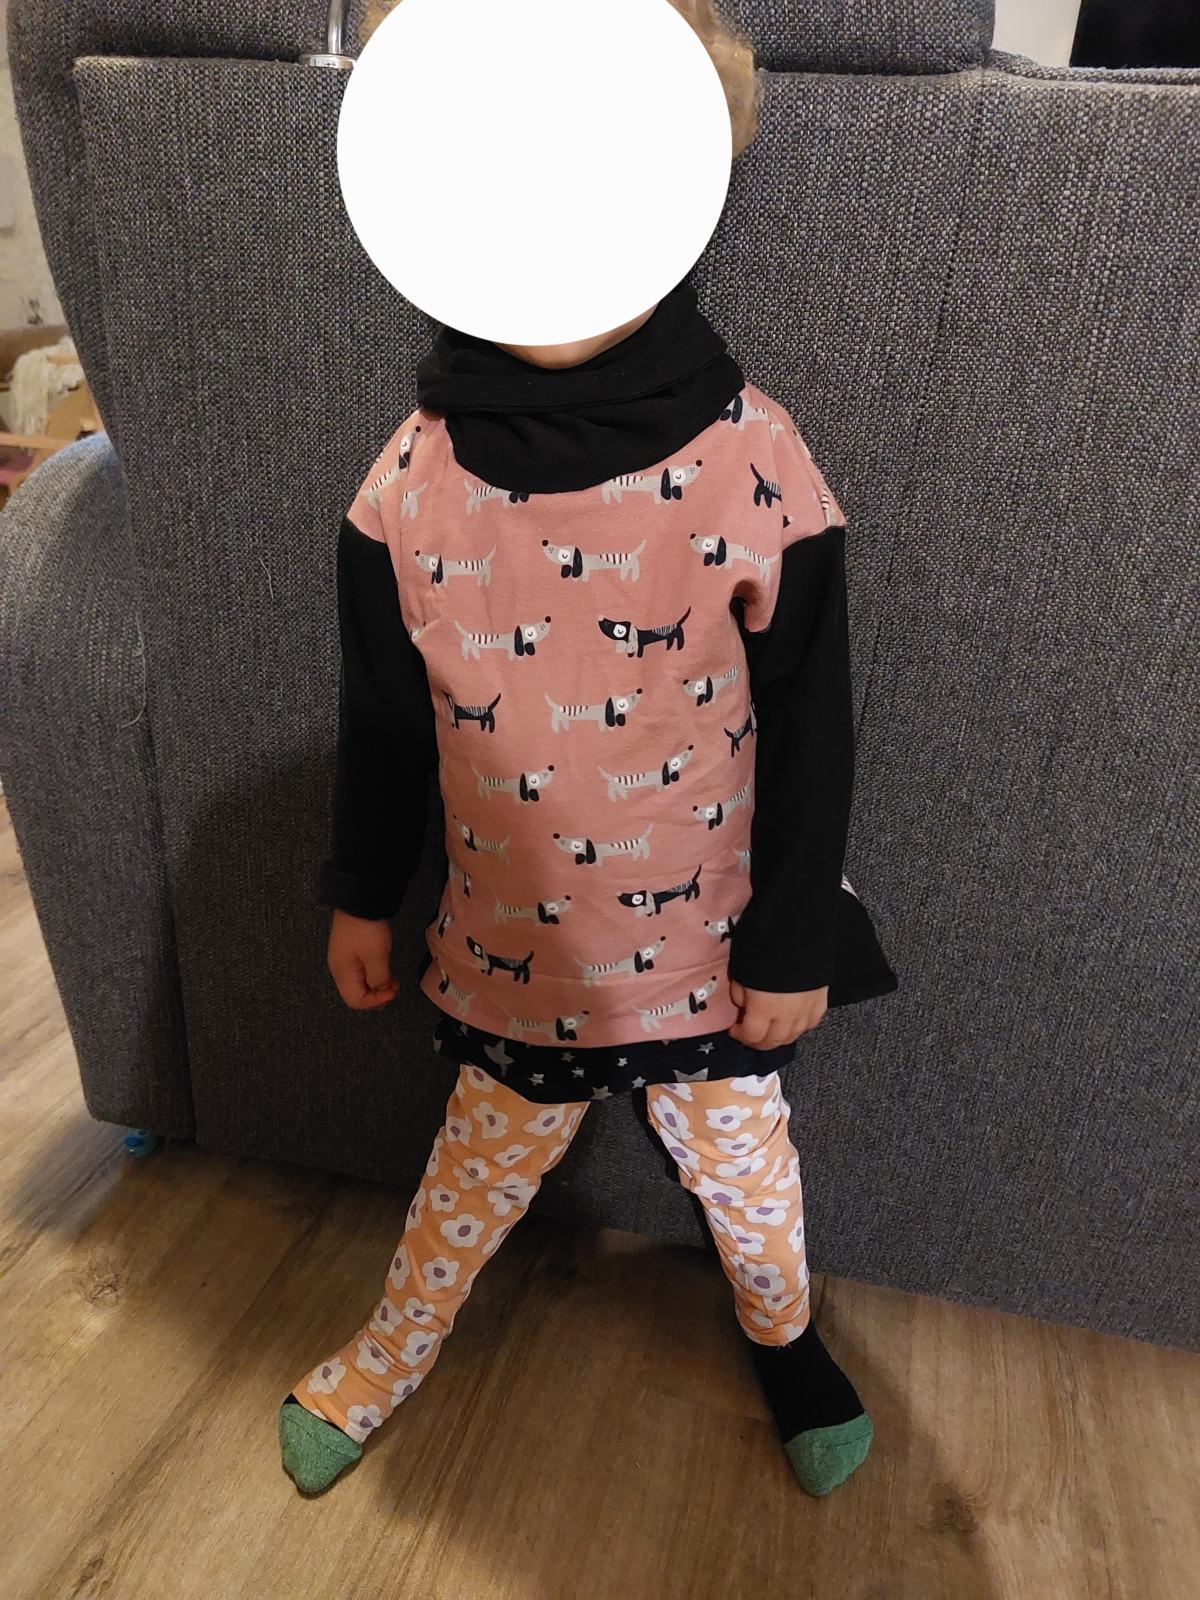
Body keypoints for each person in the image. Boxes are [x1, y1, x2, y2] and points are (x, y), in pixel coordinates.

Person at [280, 0, 896, 1498]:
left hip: (713, 954)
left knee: (749, 1175)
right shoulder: (405, 488)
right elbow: (383, 719)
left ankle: (787, 1338)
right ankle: (396, 1344)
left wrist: (792, 940)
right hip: (515, 956)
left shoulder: (754, 460)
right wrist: (361, 891)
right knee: (469, 1177)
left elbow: (815, 721)